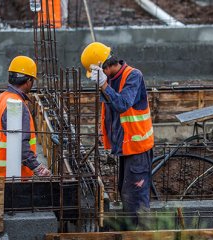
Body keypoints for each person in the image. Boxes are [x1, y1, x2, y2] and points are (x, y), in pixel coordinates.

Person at [81, 42, 154, 230]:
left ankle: (143, 233)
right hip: (125, 146)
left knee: (135, 196)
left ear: (105, 66)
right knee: (125, 191)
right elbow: (109, 110)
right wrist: (102, 131)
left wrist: (104, 84)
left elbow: (122, 104)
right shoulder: (111, 79)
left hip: (137, 147)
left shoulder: (133, 76)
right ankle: (131, 230)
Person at [0, 56, 51, 177]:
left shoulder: (0, 99)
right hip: (11, 175)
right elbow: (22, 144)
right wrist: (38, 167)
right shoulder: (17, 106)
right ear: (28, 81)